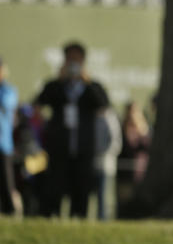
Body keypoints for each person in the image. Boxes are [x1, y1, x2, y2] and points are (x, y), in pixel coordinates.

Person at [33, 41, 111, 218]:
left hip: (83, 150)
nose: (73, 64)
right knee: (55, 189)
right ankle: (52, 218)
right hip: (59, 149)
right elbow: (39, 103)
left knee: (81, 191)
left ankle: (79, 219)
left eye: (76, 60)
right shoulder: (55, 86)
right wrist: (59, 80)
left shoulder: (93, 87)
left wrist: (87, 82)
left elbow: (103, 105)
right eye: (69, 59)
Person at [116, 101, 151, 216]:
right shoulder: (121, 129)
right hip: (125, 174)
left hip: (140, 173)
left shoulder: (144, 131)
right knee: (124, 201)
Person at [92, 105, 122, 220]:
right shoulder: (94, 117)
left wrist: (103, 153)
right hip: (92, 163)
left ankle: (102, 218)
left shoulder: (110, 119)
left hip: (105, 163)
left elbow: (115, 142)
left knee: (102, 193)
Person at [0, 57, 19, 215]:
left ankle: (10, 212)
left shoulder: (7, 90)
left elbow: (7, 103)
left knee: (6, 183)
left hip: (3, 145)